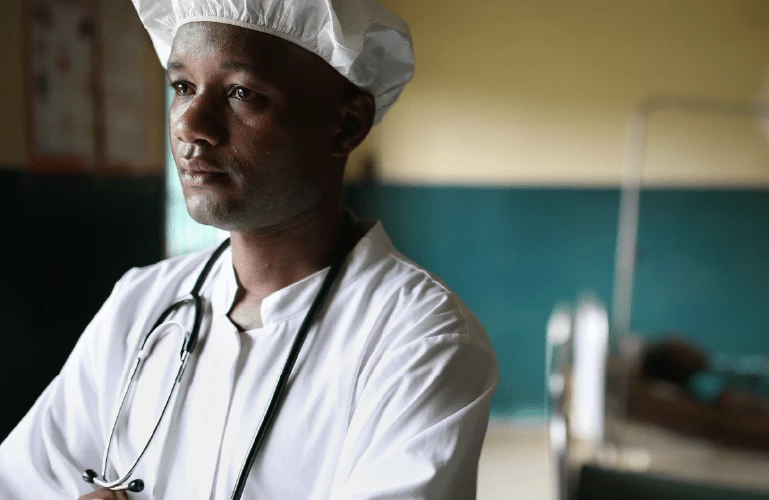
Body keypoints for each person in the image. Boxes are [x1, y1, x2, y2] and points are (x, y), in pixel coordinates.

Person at [0, 1, 498, 498]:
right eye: (183, 88)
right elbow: (21, 480)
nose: (191, 124)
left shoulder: (422, 340)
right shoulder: (141, 304)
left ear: (346, 125)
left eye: (242, 94)